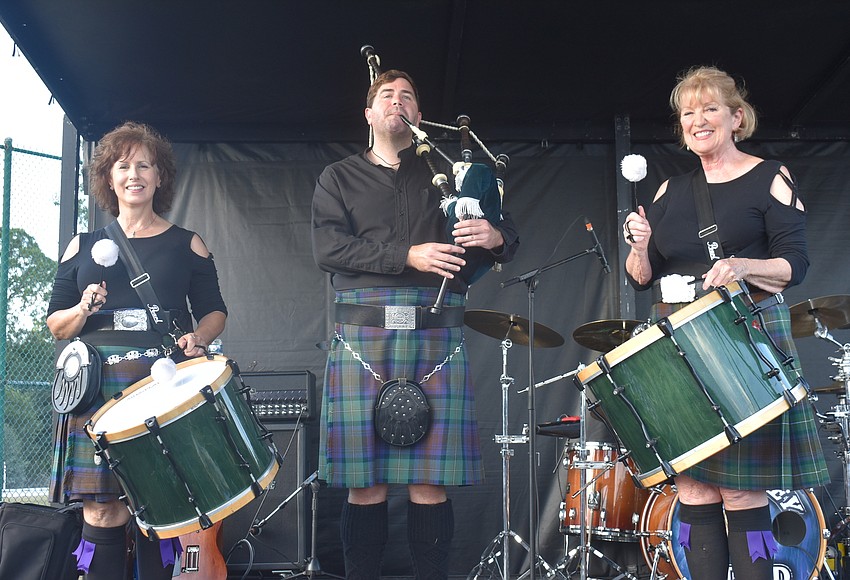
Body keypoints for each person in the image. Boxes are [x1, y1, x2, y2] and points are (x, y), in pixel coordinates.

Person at [311, 69, 519, 580]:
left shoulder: (454, 175)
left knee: (430, 480)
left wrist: (491, 235)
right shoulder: (338, 177)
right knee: (367, 482)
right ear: (369, 114)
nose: (397, 103)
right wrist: (409, 255)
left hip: (435, 330)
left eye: (407, 97)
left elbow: (507, 238)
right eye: (387, 96)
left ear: (420, 117)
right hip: (364, 333)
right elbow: (329, 249)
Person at [622, 66, 829, 579]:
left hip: (745, 340)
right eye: (687, 113)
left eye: (709, 108)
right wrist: (641, 248)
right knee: (691, 486)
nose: (697, 120)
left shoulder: (770, 177)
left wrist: (742, 267)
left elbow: (793, 266)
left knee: (740, 488)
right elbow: (643, 278)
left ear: (737, 117)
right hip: (678, 344)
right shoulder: (671, 189)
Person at [47, 121, 227, 580]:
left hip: (162, 380)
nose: (134, 174)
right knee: (103, 509)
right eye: (123, 166)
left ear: (160, 176)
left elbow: (214, 311)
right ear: (109, 178)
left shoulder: (188, 242)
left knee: (164, 501)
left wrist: (199, 338)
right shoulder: (82, 245)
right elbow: (55, 325)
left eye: (144, 165)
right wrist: (84, 307)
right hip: (97, 383)